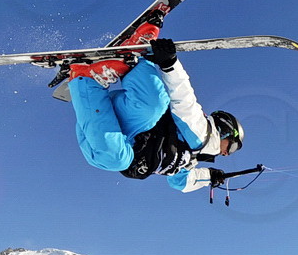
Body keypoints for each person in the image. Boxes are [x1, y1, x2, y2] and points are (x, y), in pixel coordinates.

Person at [67, 38, 243, 192]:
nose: (227, 154)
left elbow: (180, 182)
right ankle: (129, 63)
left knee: (117, 159)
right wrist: (170, 64)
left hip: (103, 129)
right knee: (154, 106)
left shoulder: (190, 159)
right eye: (232, 147)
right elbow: (184, 99)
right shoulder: (204, 135)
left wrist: (209, 176)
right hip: (130, 119)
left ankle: (97, 82)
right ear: (226, 130)